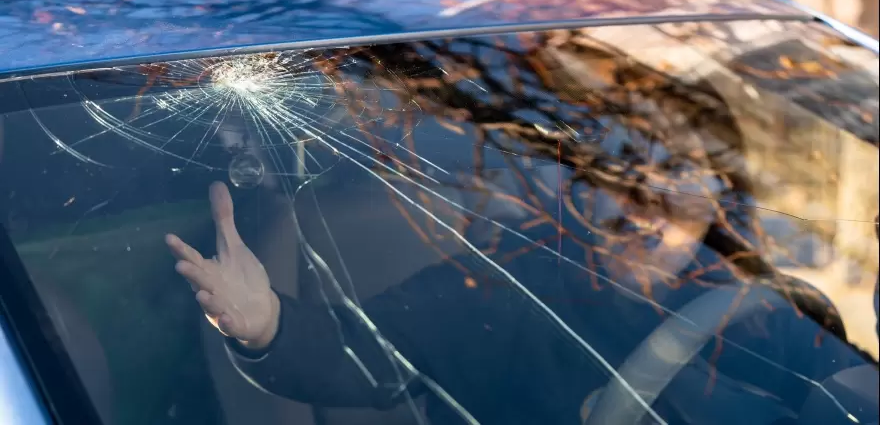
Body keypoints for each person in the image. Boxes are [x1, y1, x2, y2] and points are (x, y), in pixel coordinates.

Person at [165, 181, 877, 425]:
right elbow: (364, 352)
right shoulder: (503, 286)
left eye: (678, 189)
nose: (651, 214)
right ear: (581, 194)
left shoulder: (756, 298)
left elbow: (832, 392)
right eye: (623, 190)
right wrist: (268, 326)